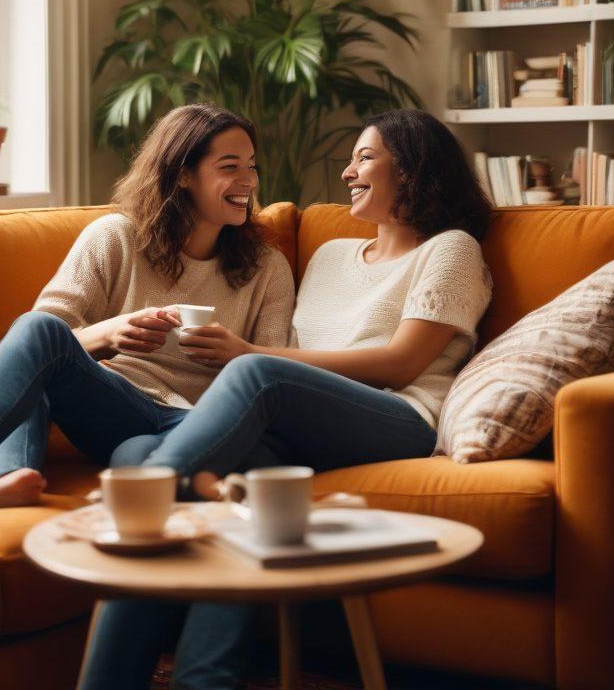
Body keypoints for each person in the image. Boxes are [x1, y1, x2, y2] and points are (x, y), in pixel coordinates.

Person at [80, 108, 495, 690]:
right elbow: (288, 364)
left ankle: (140, 510)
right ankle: (202, 680)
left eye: (365, 157)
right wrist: (260, 362)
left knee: (249, 382)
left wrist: (250, 355)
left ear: (413, 170)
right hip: (298, 430)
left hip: (395, 418)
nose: (348, 171)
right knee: (139, 451)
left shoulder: (450, 250)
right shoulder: (327, 258)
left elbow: (402, 362)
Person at [0, 103, 295, 533]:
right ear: (182, 175)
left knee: (136, 456)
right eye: (230, 166)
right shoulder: (114, 238)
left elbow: (278, 372)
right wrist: (109, 334)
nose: (249, 180)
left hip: (202, 422)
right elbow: (33, 350)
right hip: (116, 402)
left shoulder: (267, 267)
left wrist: (235, 354)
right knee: (38, 330)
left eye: (252, 165)